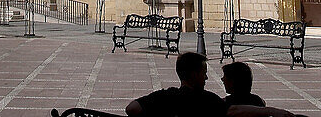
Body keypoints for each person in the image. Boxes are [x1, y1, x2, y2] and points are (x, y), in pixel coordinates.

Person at [125, 52, 295, 117]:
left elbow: (131, 109)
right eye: (204, 73)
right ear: (194, 74)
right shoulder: (208, 100)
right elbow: (233, 111)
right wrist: (272, 111)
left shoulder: (164, 96)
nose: (207, 78)